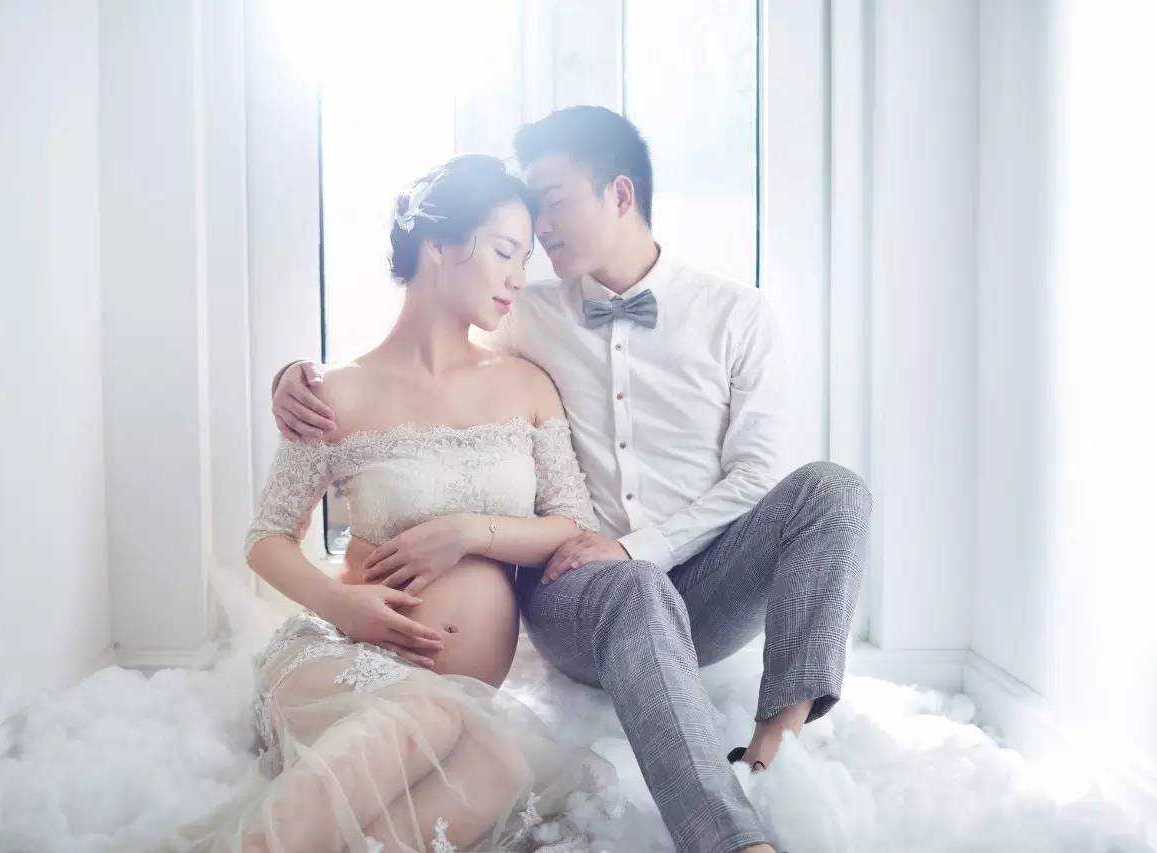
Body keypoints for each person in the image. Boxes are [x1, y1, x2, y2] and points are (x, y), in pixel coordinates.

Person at [275, 107, 873, 853]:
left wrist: (635, 547)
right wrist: (298, 378)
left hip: (705, 582)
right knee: (633, 586)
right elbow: (418, 351)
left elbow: (757, 474)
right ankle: (730, 843)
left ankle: (774, 743)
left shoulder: (737, 315)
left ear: (619, 194)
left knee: (834, 491)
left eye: (553, 201)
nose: (541, 226)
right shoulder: (521, 310)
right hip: (576, 595)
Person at [180, 154, 619, 853]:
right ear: (438, 245)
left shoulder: (526, 384)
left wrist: (468, 532)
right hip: (341, 660)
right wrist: (340, 604)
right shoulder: (336, 393)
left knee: (504, 765)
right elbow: (267, 537)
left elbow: (573, 524)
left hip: (460, 704)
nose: (517, 276)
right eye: (504, 251)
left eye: (525, 259)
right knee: (429, 712)